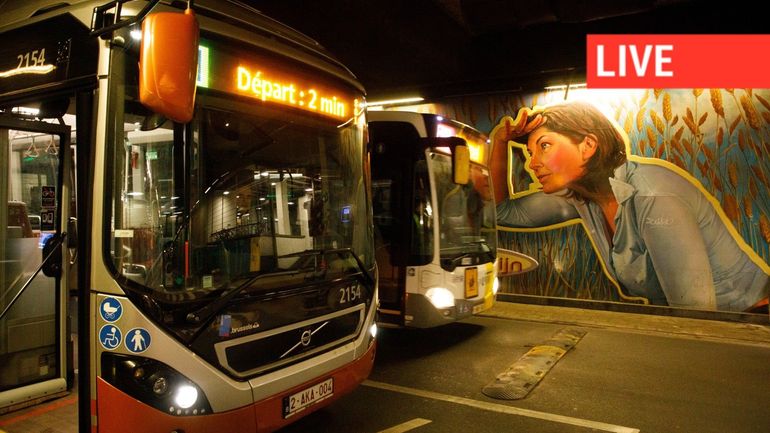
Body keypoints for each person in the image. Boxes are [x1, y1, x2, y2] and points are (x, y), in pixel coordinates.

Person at [490, 101, 769, 312]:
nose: (532, 162)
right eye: (530, 153)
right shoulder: (584, 197)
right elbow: (501, 213)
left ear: (588, 145)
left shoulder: (653, 198)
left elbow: (696, 314)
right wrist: (500, 141)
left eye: (544, 146)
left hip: (751, 323)